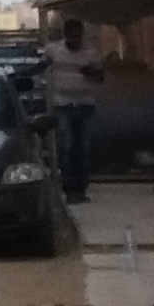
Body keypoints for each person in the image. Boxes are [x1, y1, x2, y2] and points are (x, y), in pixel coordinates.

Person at [44, 23, 103, 198]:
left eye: (77, 36)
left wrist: (90, 72)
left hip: (85, 106)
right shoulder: (54, 51)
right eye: (71, 35)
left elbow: (100, 78)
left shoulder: (91, 53)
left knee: (83, 148)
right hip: (63, 105)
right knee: (67, 146)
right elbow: (41, 65)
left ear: (81, 35)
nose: (74, 39)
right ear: (66, 34)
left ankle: (81, 187)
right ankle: (69, 187)